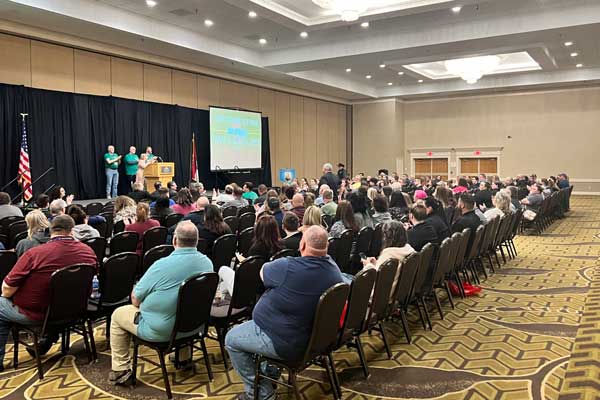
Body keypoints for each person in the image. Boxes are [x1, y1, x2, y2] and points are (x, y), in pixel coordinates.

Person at [225, 226, 343, 400]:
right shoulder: (334, 270)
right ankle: (269, 374)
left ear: (302, 245)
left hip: (286, 341)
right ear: (327, 246)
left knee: (231, 339)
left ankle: (260, 394)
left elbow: (262, 273)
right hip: (313, 339)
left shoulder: (287, 266)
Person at [108, 221, 213, 385]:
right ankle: (183, 358)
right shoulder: (207, 263)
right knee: (184, 305)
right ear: (197, 241)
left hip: (162, 331)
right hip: (194, 326)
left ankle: (121, 369)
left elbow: (135, 299)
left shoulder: (161, 265)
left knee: (117, 314)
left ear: (175, 240)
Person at [0, 215, 97, 368]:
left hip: (39, 315)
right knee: (57, 296)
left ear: (51, 231)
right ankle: (46, 340)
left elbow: (6, 290)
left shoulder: (35, 254)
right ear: (72, 231)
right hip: (75, 309)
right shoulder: (88, 252)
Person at [359, 221, 415, 301]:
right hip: (396, 294)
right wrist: (376, 263)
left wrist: (368, 265)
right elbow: (387, 273)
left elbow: (374, 278)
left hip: (379, 297)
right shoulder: (408, 251)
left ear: (387, 236)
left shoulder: (388, 254)